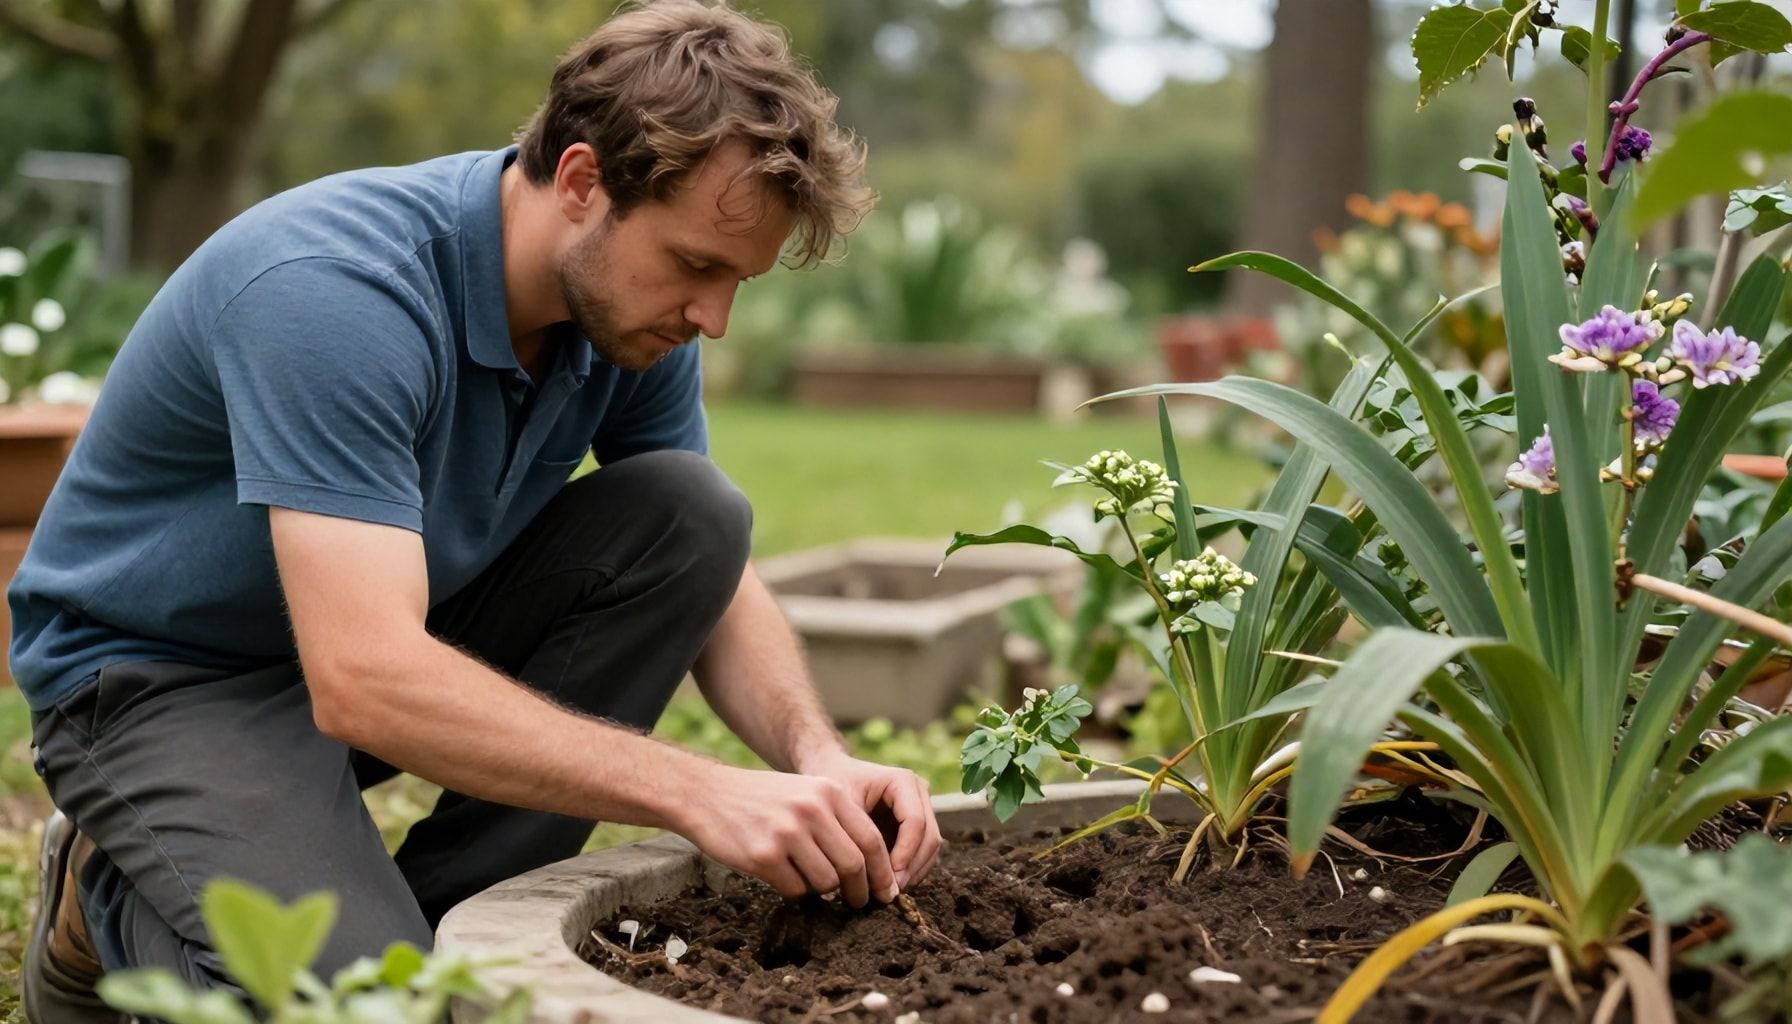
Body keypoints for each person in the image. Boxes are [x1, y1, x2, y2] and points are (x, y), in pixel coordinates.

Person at [11, 2, 943, 1019]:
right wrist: (697, 788)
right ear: (583, 183)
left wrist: (818, 755)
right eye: (695, 265)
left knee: (690, 512)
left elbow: (710, 576)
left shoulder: (622, 318)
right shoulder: (337, 292)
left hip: (374, 633)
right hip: (163, 683)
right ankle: (105, 892)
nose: (712, 317)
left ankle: (428, 932)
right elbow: (364, 681)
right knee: (339, 1006)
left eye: (736, 282)